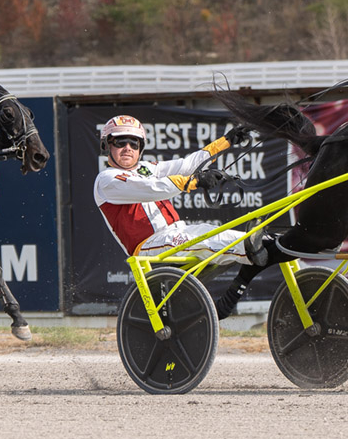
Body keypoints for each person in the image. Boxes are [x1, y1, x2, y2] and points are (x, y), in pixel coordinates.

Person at [93, 115, 277, 318]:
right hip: (147, 247)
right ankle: (252, 246)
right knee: (202, 237)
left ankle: (263, 244)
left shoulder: (147, 168)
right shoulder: (106, 180)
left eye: (134, 143)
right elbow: (154, 188)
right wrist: (194, 182)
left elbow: (188, 164)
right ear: (106, 145)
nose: (127, 147)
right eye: (120, 142)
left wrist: (227, 141)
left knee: (208, 230)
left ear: (140, 147)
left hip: (175, 233)